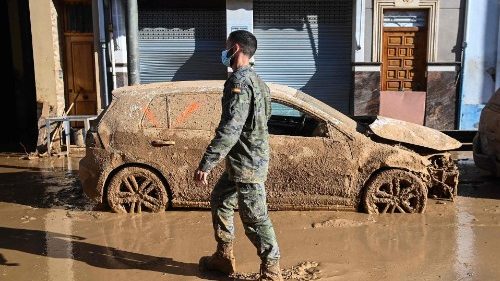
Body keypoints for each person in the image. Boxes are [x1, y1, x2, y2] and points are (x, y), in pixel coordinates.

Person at [193, 30, 283, 281]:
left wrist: (207, 163)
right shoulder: (258, 81)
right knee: (220, 199)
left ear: (235, 49)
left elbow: (231, 128)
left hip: (247, 163)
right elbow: (263, 119)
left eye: (226, 48)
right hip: (242, 160)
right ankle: (223, 256)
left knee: (255, 218)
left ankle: (272, 269)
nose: (224, 52)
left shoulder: (239, 83)